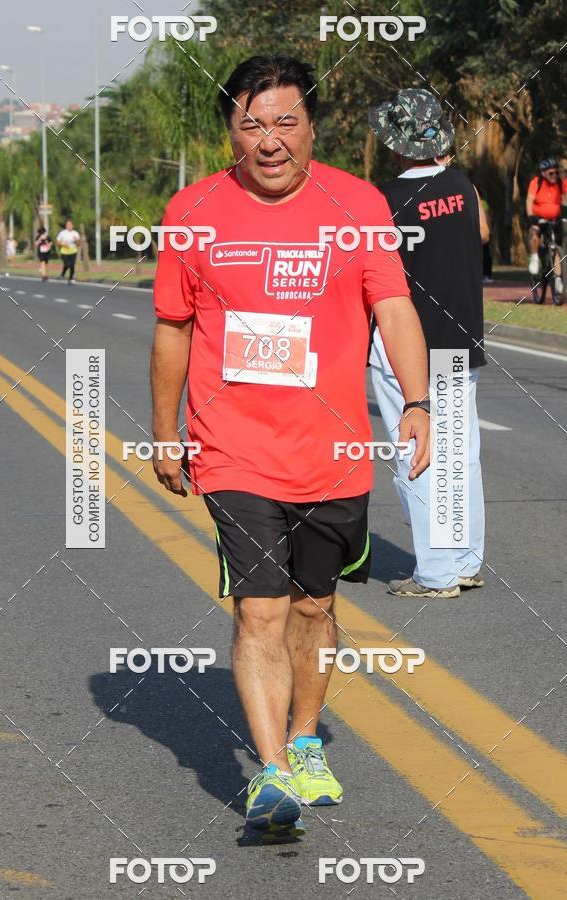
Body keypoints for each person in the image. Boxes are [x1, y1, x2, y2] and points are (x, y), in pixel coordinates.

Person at [152, 56, 430, 833]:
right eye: (251, 123)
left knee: (314, 605)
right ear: (229, 130)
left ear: (312, 127)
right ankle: (271, 773)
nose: (269, 141)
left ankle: (305, 741)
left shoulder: (360, 202)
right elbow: (172, 328)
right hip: (232, 445)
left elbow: (396, 307)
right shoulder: (194, 209)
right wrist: (165, 431)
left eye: (284, 122)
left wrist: (418, 402)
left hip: (333, 449)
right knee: (261, 610)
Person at [368, 87, 487, 598]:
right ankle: (463, 560)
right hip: (460, 341)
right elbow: (480, 234)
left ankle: (436, 574)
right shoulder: (463, 185)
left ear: (396, 145)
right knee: (460, 452)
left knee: (416, 453)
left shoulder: (384, 201)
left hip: (406, 348)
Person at [526, 158, 567, 294]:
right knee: (534, 231)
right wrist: (532, 217)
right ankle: (534, 257)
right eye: (551, 173)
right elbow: (529, 200)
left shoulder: (560, 183)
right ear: (543, 173)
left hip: (555, 218)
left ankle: (558, 280)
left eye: (556, 173)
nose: (554, 176)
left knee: (557, 246)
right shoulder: (536, 182)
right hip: (538, 217)